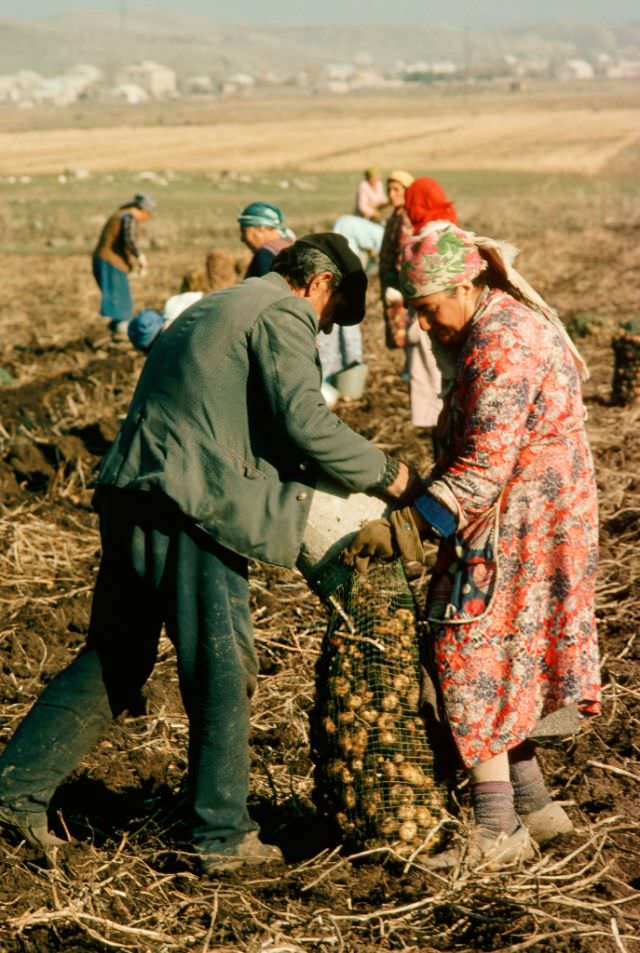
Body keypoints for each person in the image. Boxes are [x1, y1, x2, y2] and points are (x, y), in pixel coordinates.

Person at [0, 234, 417, 874]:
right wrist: (392, 476)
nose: (325, 328)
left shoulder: (220, 304)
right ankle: (221, 837)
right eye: (332, 317)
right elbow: (305, 421)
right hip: (189, 503)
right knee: (222, 662)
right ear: (321, 284)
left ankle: (13, 791)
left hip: (131, 489)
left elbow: (253, 421)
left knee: (118, 652)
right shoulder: (283, 312)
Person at [344, 221, 601, 868]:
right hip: (540, 514)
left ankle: (496, 827)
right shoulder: (499, 325)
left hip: (521, 520)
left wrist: (410, 525)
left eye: (429, 310)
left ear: (465, 286)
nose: (425, 327)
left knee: (470, 649)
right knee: (509, 652)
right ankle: (536, 805)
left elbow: (485, 464)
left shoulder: (502, 343)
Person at [403, 177, 458, 431]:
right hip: (453, 319)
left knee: (432, 376)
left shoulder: (425, 239)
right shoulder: (452, 232)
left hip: (435, 320)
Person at [92, 193, 155, 336]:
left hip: (108, 261)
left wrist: (131, 264)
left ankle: (117, 330)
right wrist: (139, 256)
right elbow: (129, 239)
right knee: (121, 303)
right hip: (110, 262)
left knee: (119, 301)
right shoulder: (128, 217)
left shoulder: (120, 213)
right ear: (142, 210)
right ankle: (121, 333)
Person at [378, 170, 414, 350]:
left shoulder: (405, 218)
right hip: (392, 286)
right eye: (389, 190)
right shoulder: (395, 217)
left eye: (396, 189)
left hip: (400, 289)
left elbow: (404, 256)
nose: (392, 194)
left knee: (408, 337)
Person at [237, 202, 294, 277]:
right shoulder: (291, 247)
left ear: (261, 228)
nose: (242, 239)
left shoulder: (266, 255)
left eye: (244, 232)